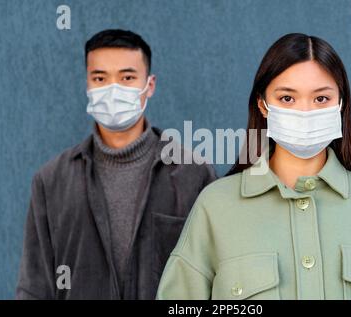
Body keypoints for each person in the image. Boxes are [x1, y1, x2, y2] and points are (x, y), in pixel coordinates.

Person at [156, 33, 351, 300]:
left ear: (340, 104)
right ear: (263, 104)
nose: (305, 112)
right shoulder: (216, 207)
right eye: (287, 98)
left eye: (321, 98)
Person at [16, 29, 216, 299]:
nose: (113, 89)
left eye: (127, 77)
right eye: (100, 78)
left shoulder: (194, 174)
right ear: (87, 84)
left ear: (150, 85)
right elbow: (34, 288)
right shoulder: (51, 181)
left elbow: (215, 278)